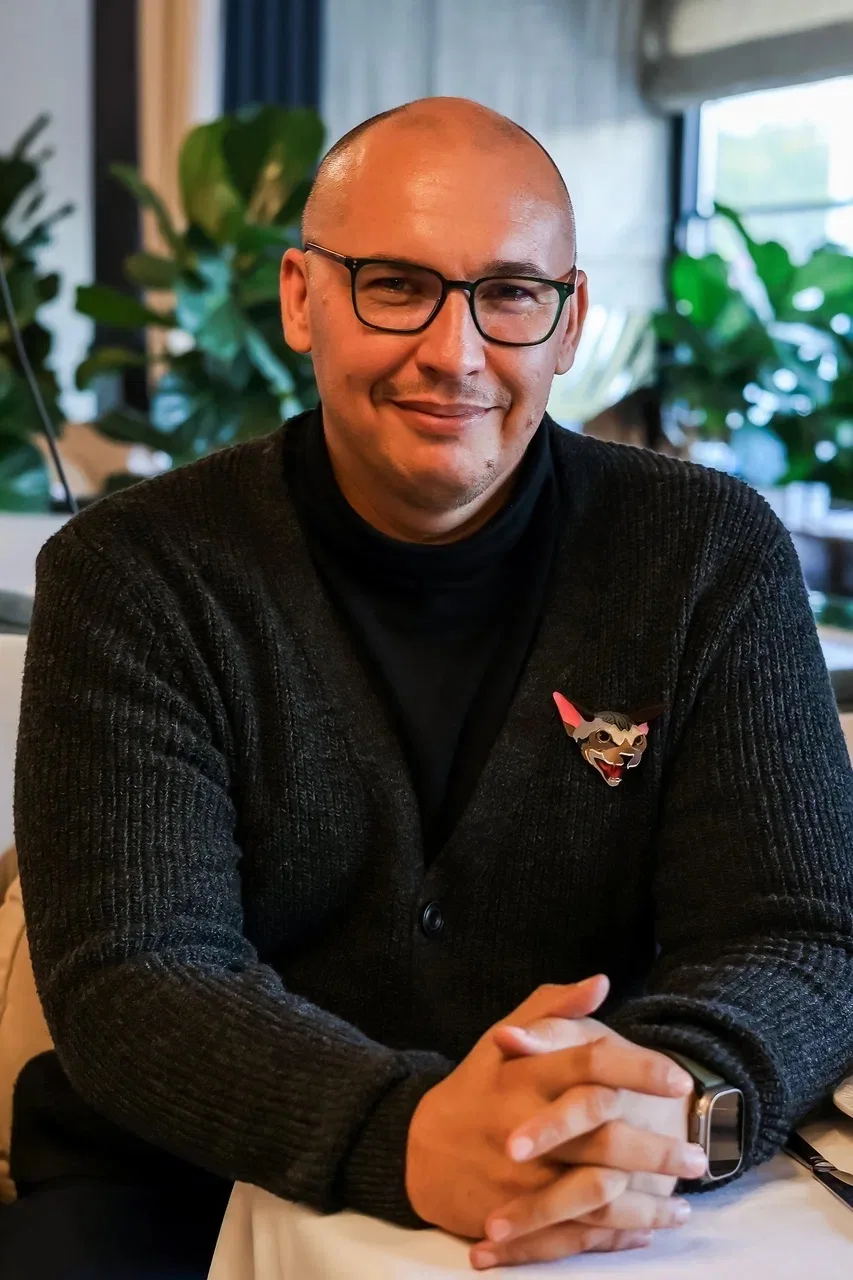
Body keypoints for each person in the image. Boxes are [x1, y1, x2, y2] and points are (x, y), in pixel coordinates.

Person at [3, 95, 853, 1278]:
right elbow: (136, 973)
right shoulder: (132, 574)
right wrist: (400, 1129)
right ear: (301, 297)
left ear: (568, 322)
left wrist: (661, 1101)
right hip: (183, 1171)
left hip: (604, 1154)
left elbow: (797, 929)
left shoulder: (708, 554)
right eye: (395, 285)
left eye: (509, 293)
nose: (454, 352)